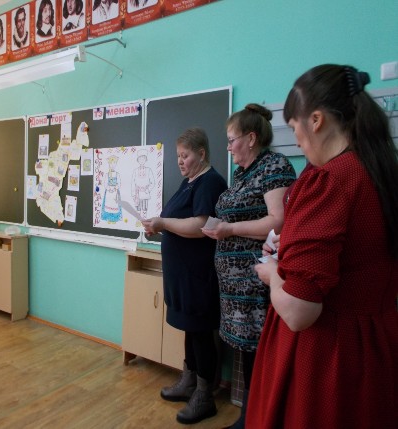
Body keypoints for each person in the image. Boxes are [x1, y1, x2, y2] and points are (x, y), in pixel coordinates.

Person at [248, 64, 398, 429]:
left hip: (327, 359)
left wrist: (273, 274)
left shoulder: (329, 181)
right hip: (376, 346)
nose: (297, 141)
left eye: (294, 128)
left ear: (316, 120)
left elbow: (299, 311)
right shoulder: (380, 172)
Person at [202, 104, 296, 429]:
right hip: (236, 289)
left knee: (259, 351)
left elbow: (279, 222)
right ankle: (249, 417)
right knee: (247, 352)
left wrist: (228, 229)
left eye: (232, 140)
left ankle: (255, 420)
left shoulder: (273, 166)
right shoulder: (243, 174)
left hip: (257, 283)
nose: (228, 147)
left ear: (251, 138)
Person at [142, 128, 227, 425]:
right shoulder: (188, 182)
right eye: (178, 155)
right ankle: (188, 381)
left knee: (200, 332)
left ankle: (205, 396)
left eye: (185, 155)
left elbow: (201, 225)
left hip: (198, 275)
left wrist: (164, 223)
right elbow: (177, 221)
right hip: (182, 275)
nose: (180, 161)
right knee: (190, 330)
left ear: (201, 154)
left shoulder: (210, 182)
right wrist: (157, 226)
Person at [131, 149, 155, 219]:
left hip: (145, 193)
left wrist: (148, 189)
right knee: (138, 208)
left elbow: (152, 182)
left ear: (145, 160)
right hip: (137, 193)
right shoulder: (135, 171)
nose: (141, 160)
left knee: (144, 207)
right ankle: (139, 221)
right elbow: (133, 183)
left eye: (143, 159)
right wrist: (133, 193)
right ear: (138, 160)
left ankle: (145, 220)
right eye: (140, 159)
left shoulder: (148, 170)